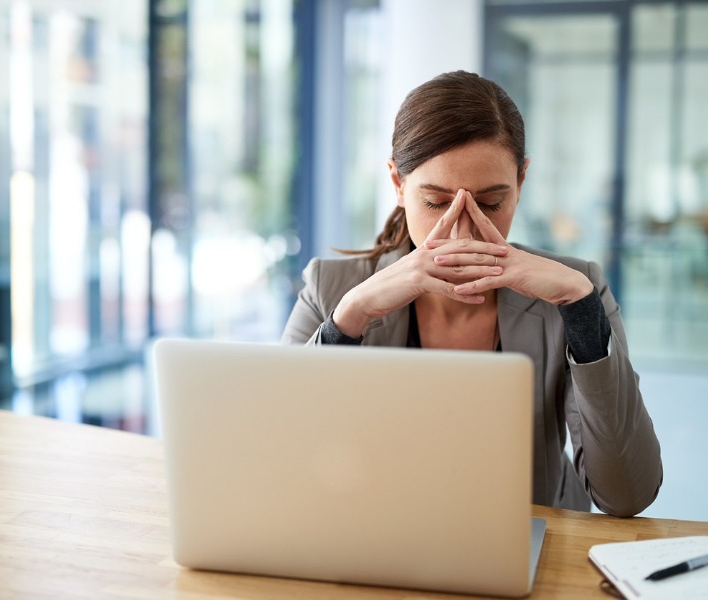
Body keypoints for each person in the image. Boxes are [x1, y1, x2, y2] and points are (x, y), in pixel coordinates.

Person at [282, 70, 662, 518]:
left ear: (521, 182)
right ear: (398, 184)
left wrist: (582, 311)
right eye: (437, 203)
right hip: (374, 537)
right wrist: (348, 320)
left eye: (491, 202)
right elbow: (282, 463)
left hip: (531, 545)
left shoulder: (577, 287)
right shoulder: (332, 288)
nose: (463, 232)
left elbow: (627, 495)